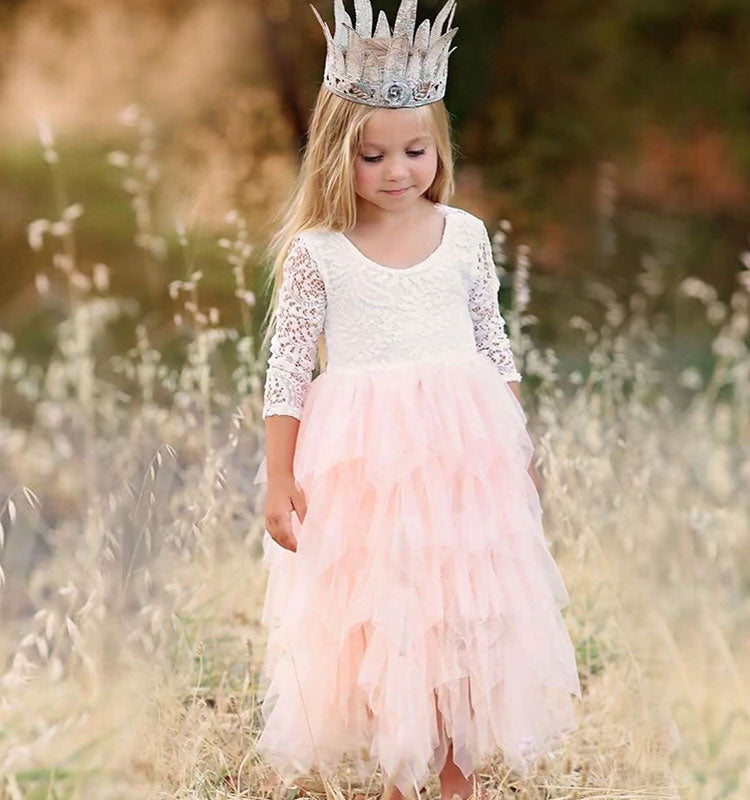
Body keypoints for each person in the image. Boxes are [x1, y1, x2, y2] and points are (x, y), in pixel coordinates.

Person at [253, 1, 582, 798]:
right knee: (394, 622)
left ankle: (457, 778)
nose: (397, 171)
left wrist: (518, 451)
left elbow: (493, 344)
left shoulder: (463, 235)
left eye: (415, 151)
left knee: (462, 622)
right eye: (373, 156)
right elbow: (288, 366)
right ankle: (404, 779)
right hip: (367, 466)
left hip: (460, 460)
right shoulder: (318, 254)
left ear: (439, 148)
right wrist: (277, 477)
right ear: (337, 155)